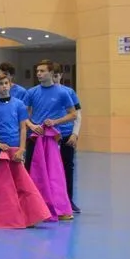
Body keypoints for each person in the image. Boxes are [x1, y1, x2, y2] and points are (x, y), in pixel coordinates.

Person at [23, 59, 76, 220]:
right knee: (32, 172)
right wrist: (32, 126)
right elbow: (23, 116)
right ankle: (33, 208)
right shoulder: (31, 92)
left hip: (52, 140)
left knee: (54, 173)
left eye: (42, 71)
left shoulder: (62, 92)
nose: (39, 73)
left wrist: (55, 122)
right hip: (34, 138)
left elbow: (73, 114)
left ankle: (59, 207)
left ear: (52, 73)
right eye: (37, 71)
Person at [52, 63, 82, 213]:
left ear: (60, 76)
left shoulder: (69, 92)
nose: (55, 79)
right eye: (53, 76)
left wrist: (75, 134)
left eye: (57, 76)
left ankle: (68, 200)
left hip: (67, 136)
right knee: (51, 169)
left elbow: (78, 114)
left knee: (67, 167)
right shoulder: (45, 93)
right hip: (50, 137)